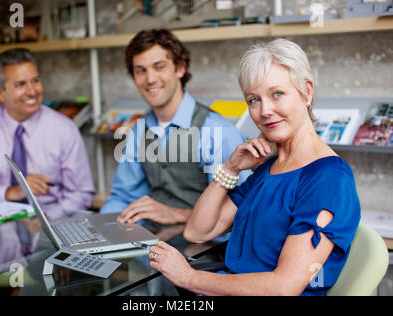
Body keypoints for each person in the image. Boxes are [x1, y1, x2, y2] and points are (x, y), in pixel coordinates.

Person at [147, 39, 361, 296]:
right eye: (253, 100)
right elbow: (198, 231)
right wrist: (230, 168)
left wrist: (191, 278)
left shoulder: (328, 177)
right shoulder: (269, 168)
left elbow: (285, 287)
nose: (265, 111)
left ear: (307, 92)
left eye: (277, 94)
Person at [0, 48, 95, 268]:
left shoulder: (63, 128)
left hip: (53, 238)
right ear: (0, 92)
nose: (32, 91)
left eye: (35, 81)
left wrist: (45, 218)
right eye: (20, 84)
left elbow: (82, 192)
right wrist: (11, 192)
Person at [100, 29, 251, 226]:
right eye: (140, 70)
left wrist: (176, 214)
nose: (150, 79)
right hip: (153, 242)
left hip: (205, 249)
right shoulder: (139, 129)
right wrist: (98, 232)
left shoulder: (217, 131)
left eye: (159, 66)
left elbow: (239, 213)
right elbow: (124, 197)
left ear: (180, 68)